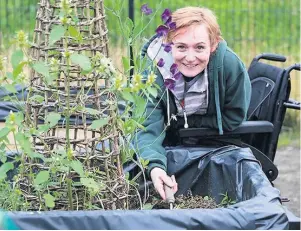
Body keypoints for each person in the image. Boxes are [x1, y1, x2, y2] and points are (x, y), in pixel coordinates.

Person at [135, 6, 251, 200]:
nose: (190, 58)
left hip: (215, 142)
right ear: (168, 44)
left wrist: (181, 124)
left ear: (213, 45)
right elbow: (146, 127)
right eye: (181, 47)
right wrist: (155, 167)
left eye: (199, 47)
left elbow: (233, 118)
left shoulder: (230, 66)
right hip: (166, 143)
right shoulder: (153, 70)